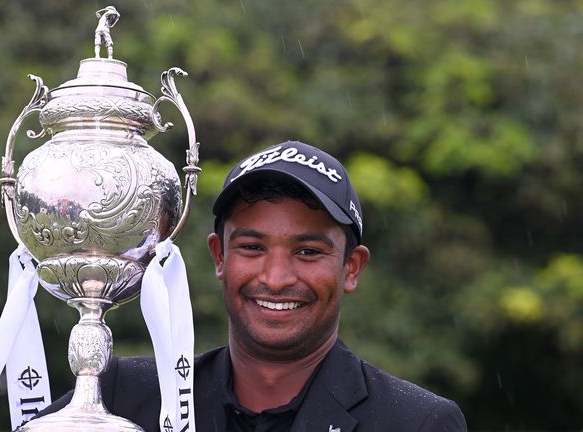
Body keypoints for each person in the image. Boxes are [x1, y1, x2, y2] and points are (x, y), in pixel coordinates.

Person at [31, 140, 468, 431]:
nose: (275, 279)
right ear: (219, 257)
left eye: (308, 252)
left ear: (351, 267)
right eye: (253, 247)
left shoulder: (416, 422)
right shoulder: (121, 393)